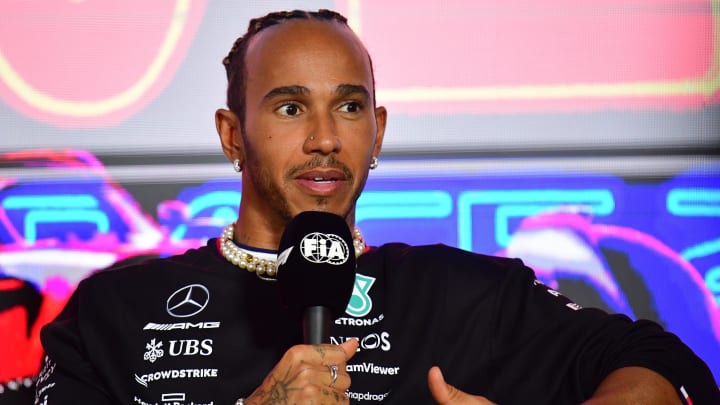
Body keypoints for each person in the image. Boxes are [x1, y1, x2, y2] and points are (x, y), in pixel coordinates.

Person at [35, 9, 719, 405]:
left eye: (350, 106)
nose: (326, 138)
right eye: (291, 106)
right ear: (232, 134)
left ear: (379, 131)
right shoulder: (113, 313)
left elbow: (659, 367)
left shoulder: (466, 294)